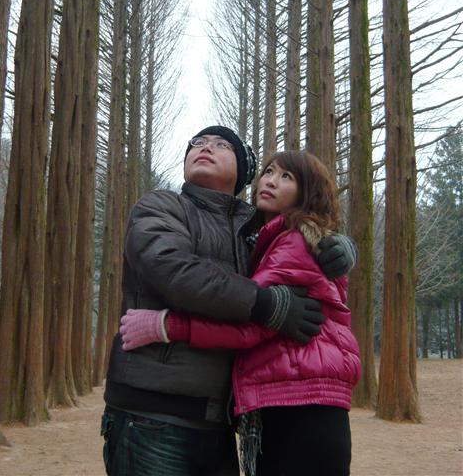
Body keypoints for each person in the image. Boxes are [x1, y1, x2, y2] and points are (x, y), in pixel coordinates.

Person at [102, 127, 357, 476]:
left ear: (242, 170)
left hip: (221, 421)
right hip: (153, 415)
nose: (206, 147)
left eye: (222, 145)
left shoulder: (253, 230)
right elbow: (174, 270)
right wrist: (266, 304)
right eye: (197, 143)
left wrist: (339, 245)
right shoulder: (162, 205)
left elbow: (301, 236)